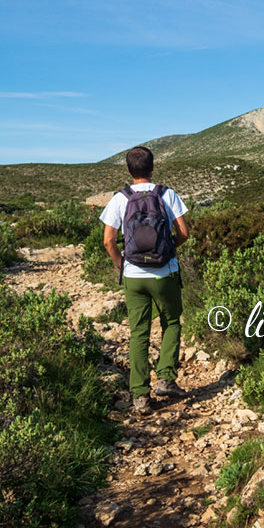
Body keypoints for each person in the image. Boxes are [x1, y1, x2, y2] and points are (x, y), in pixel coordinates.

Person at [99, 146, 190, 414]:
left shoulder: (120, 198)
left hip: (134, 276)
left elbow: (107, 241)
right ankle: (166, 379)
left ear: (128, 170)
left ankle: (140, 395)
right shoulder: (167, 194)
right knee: (171, 322)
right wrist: (168, 251)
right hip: (165, 273)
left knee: (138, 332)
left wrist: (124, 264)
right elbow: (184, 232)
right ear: (153, 167)